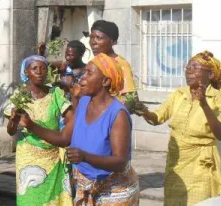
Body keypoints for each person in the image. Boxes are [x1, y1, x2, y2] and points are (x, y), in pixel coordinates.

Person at [15, 53, 140, 205]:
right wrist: (31, 125)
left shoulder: (117, 114)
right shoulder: (85, 102)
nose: (82, 79)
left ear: (105, 81)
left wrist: (85, 157)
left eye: (89, 73)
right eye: (84, 72)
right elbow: (64, 139)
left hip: (114, 191)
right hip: (85, 186)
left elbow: (120, 160)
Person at [137, 51, 221, 205]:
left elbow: (220, 134)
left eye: (195, 67)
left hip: (201, 165)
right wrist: (143, 111)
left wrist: (204, 104)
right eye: (187, 67)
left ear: (211, 75)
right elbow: (158, 116)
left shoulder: (217, 98)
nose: (189, 70)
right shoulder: (179, 93)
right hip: (176, 162)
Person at [6, 55, 74, 205]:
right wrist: (13, 121)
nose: (39, 72)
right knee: (30, 199)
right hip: (28, 158)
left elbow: (72, 116)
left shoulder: (56, 94)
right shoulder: (20, 96)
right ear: (27, 72)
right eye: (34, 68)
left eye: (43, 68)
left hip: (53, 157)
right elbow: (11, 131)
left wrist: (67, 135)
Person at [88, 20, 139, 112]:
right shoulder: (93, 63)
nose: (93, 42)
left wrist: (111, 116)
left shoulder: (121, 64)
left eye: (98, 38)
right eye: (91, 37)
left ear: (113, 42)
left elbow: (131, 99)